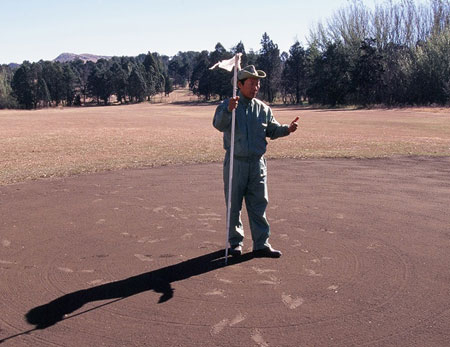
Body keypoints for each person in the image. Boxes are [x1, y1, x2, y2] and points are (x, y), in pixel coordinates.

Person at [213, 65, 299, 258]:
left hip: (257, 164)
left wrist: (287, 129)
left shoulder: (263, 109)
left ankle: (261, 243)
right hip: (236, 163)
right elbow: (218, 124)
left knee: (259, 204)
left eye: (258, 83)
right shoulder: (229, 105)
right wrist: (228, 110)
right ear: (240, 84)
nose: (256, 87)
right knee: (234, 205)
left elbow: (272, 130)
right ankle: (235, 243)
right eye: (252, 83)